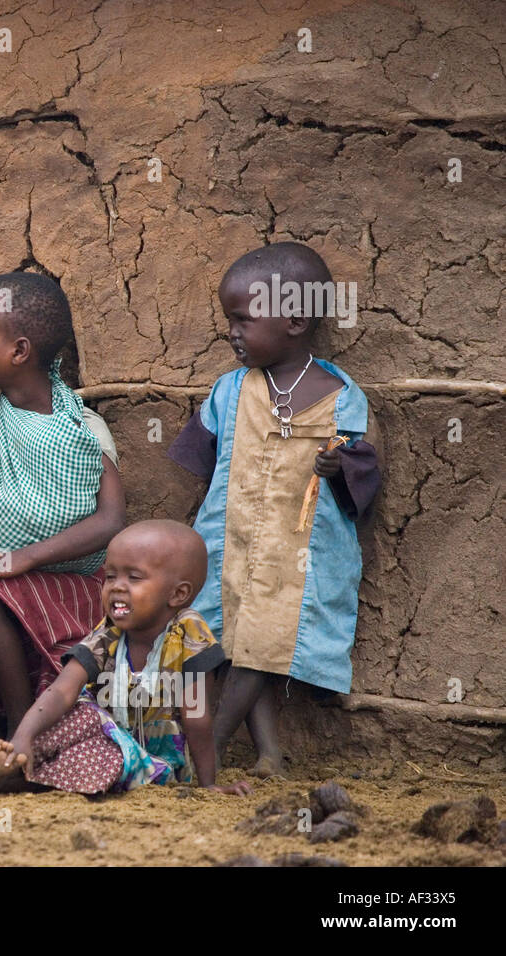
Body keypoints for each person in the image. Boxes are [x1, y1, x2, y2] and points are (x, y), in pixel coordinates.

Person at [169, 242, 380, 777]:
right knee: (236, 645)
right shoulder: (231, 390)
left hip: (301, 556)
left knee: (265, 644)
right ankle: (268, 755)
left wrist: (340, 467)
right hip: (230, 542)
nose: (231, 332)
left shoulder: (341, 396)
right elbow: (202, 456)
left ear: (295, 318)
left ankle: (206, 757)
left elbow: (363, 467)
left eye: (242, 319)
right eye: (228, 320)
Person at [0, 521, 251, 797]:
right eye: (110, 576)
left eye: (134, 577)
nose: (116, 587)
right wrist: (23, 736)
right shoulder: (108, 634)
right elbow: (62, 690)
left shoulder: (190, 636)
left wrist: (207, 783)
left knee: (108, 758)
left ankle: (7, 780)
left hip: (153, 763)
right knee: (80, 714)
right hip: (103, 739)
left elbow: (196, 716)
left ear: (178, 594)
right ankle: (5, 762)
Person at [0, 272, 126, 747]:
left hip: (70, 579)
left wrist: (26, 558)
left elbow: (111, 521)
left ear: (19, 351)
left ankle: (18, 728)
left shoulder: (82, 427)